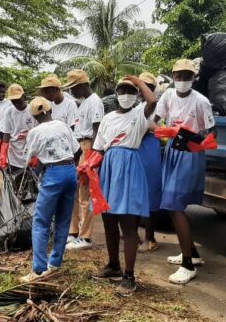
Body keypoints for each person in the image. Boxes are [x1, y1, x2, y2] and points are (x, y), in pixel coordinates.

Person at [91, 76, 156, 295]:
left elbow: (152, 101)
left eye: (131, 90)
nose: (126, 94)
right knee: (109, 221)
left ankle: (129, 276)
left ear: (136, 94)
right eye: (122, 90)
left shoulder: (140, 114)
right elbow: (99, 148)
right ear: (116, 94)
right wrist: (88, 165)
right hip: (108, 169)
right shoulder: (108, 118)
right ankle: (113, 265)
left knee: (128, 224)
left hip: (129, 169)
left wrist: (139, 82)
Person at [155, 59, 215, 284]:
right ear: (173, 76)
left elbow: (212, 132)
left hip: (190, 152)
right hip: (172, 149)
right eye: (178, 76)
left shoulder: (201, 101)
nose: (182, 80)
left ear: (193, 78)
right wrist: (165, 131)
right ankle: (192, 253)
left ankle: (188, 265)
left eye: (186, 76)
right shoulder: (168, 96)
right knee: (170, 205)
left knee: (174, 204)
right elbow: (155, 121)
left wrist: (195, 139)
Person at [20, 97, 80, 283]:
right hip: (70, 172)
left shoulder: (35, 132)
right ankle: (55, 263)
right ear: (49, 110)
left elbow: (27, 158)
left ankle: (38, 269)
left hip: (53, 173)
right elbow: (77, 150)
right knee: (63, 219)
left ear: (34, 115)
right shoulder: (62, 125)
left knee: (41, 221)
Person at [62, 69, 104, 251]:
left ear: (84, 85)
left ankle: (85, 236)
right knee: (73, 191)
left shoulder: (95, 102)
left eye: (74, 88)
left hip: (88, 147)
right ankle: (73, 232)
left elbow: (96, 131)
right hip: (78, 147)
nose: (71, 92)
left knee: (85, 195)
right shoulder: (81, 103)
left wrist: (92, 156)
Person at [136, 72, 162, 253]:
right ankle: (135, 232)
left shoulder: (155, 108)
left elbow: (147, 128)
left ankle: (150, 237)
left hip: (148, 147)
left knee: (149, 193)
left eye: (146, 86)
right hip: (138, 147)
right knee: (136, 191)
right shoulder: (138, 106)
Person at [0, 84, 36, 174]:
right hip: (13, 154)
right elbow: (7, 134)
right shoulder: (9, 111)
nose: (16, 103)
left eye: (18, 100)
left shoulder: (33, 110)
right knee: (13, 183)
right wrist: (3, 153)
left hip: (30, 151)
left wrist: (36, 155)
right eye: (13, 101)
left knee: (29, 184)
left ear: (24, 96)